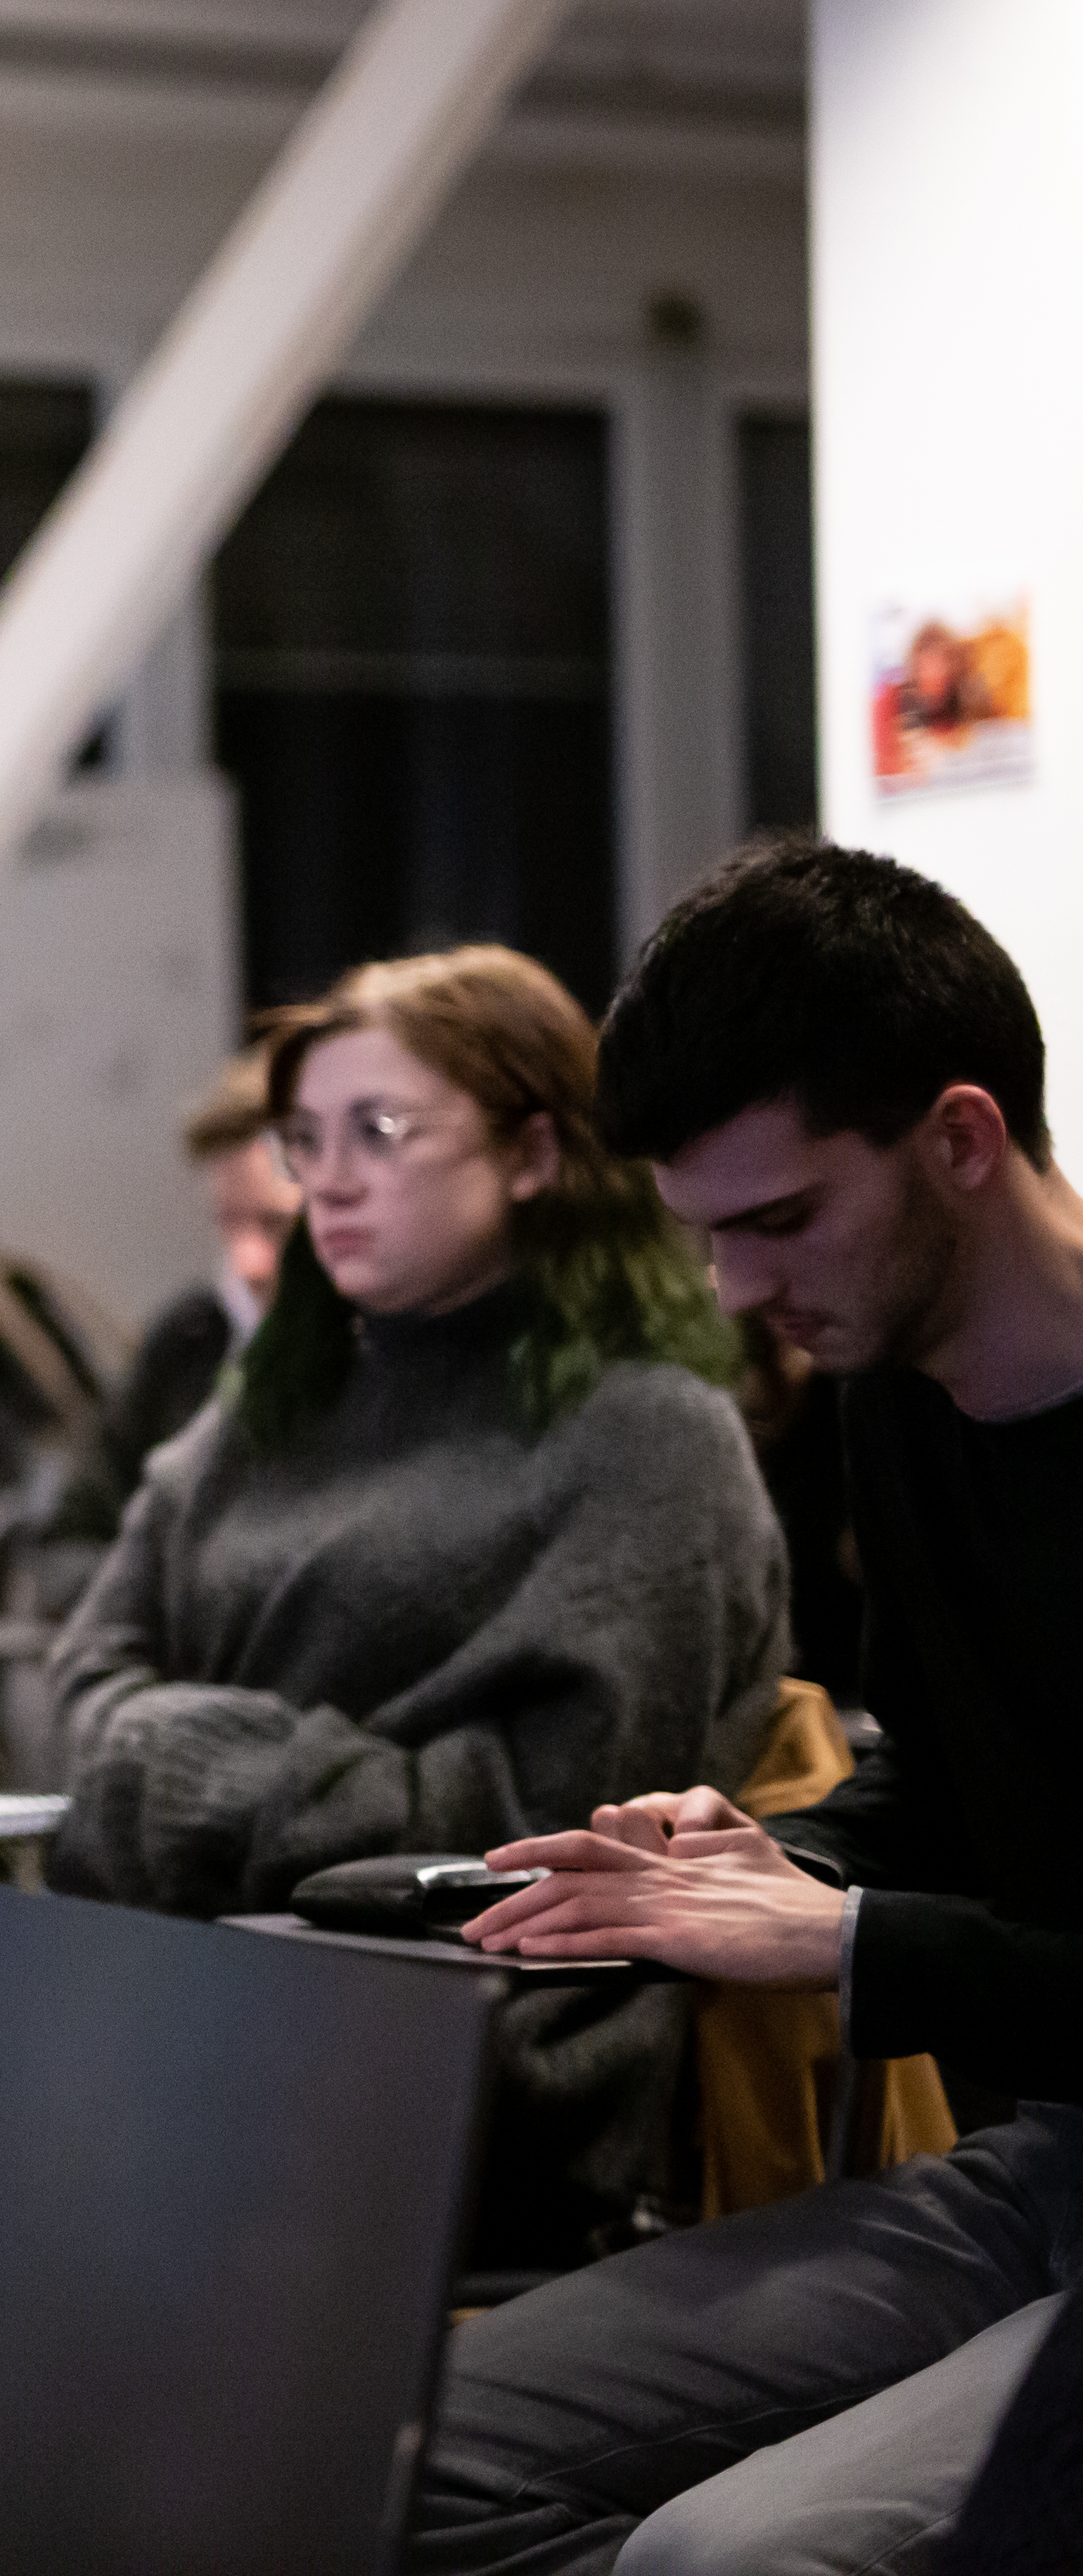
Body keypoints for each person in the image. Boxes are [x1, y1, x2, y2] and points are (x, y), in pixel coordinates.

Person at [0, 942, 789, 2452]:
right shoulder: (272, 1412)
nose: (328, 1180)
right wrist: (234, 1769)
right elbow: (69, 1690)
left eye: (380, 1134)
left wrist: (194, 1769)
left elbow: (548, 1825)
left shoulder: (650, 1440)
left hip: (474, 2046)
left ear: (532, 1151)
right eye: (304, 1140)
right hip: (214, 1984)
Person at [417, 842, 1083, 2576]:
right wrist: (760, 1862)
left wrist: (846, 1938)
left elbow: (928, 1917)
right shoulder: (899, 1391)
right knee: (410, 2449)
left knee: (726, 2559)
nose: (731, 1293)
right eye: (702, 1235)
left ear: (957, 1138)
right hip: (1044, 2175)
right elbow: (946, 1802)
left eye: (774, 1221)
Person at [92, 1047, 305, 1495]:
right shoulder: (185, 1340)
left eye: (275, 1224)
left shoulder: (388, 1361)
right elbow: (80, 1523)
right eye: (229, 1220)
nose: (249, 1261)